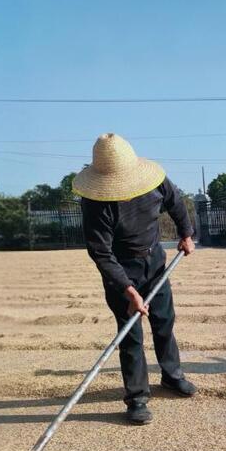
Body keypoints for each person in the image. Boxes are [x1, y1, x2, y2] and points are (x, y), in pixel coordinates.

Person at [75, 133, 196, 424]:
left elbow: (176, 201)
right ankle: (137, 397)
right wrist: (128, 291)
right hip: (120, 268)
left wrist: (186, 233)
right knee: (130, 335)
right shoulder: (96, 205)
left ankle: (172, 375)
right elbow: (101, 253)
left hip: (154, 261)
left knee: (164, 321)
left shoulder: (153, 182)